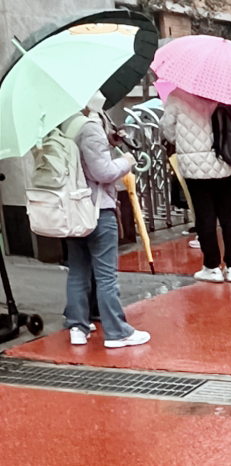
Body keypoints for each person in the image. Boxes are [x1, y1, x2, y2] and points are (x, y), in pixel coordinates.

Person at [62, 92, 150, 348]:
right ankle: (116, 331)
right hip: (98, 209)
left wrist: (108, 142)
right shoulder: (90, 127)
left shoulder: (66, 125)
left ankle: (77, 327)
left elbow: (83, 162)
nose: (100, 95)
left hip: (74, 209)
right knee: (106, 276)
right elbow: (102, 172)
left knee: (78, 271)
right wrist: (125, 162)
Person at [162, 88, 231, 283]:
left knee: (205, 217)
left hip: (195, 166)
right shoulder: (224, 91)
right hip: (225, 160)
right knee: (229, 217)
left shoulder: (177, 96)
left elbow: (168, 130)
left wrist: (184, 139)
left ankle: (212, 267)